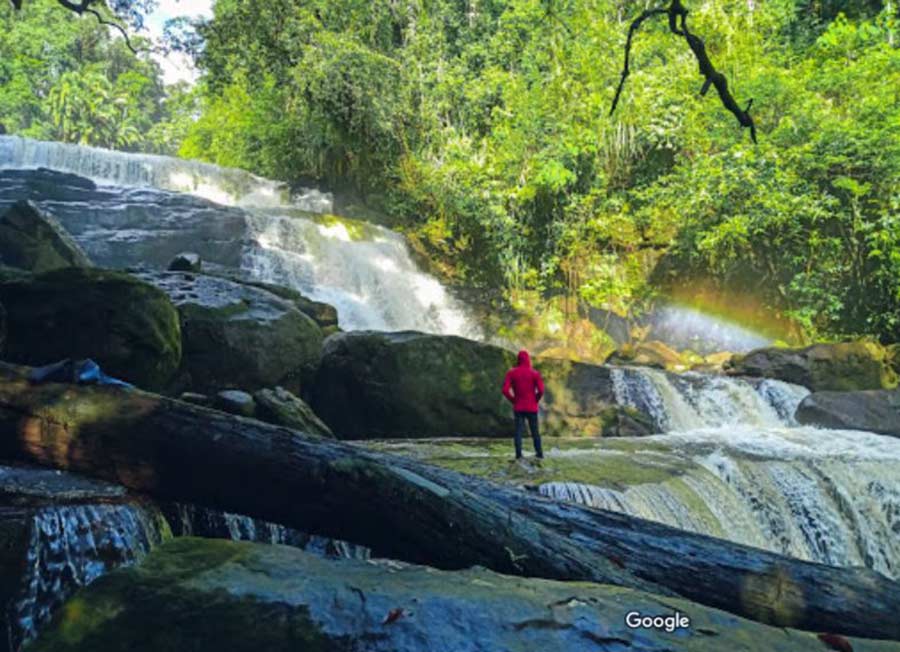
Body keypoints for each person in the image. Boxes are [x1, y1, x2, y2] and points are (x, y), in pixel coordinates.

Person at [501, 349, 545, 460]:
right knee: (535, 432)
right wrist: (536, 399)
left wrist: (513, 400)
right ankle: (539, 454)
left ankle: (518, 455)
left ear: (518, 360)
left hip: (519, 407)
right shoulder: (535, 373)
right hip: (532, 408)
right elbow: (541, 390)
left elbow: (505, 390)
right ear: (528, 360)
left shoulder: (511, 373)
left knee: (518, 432)